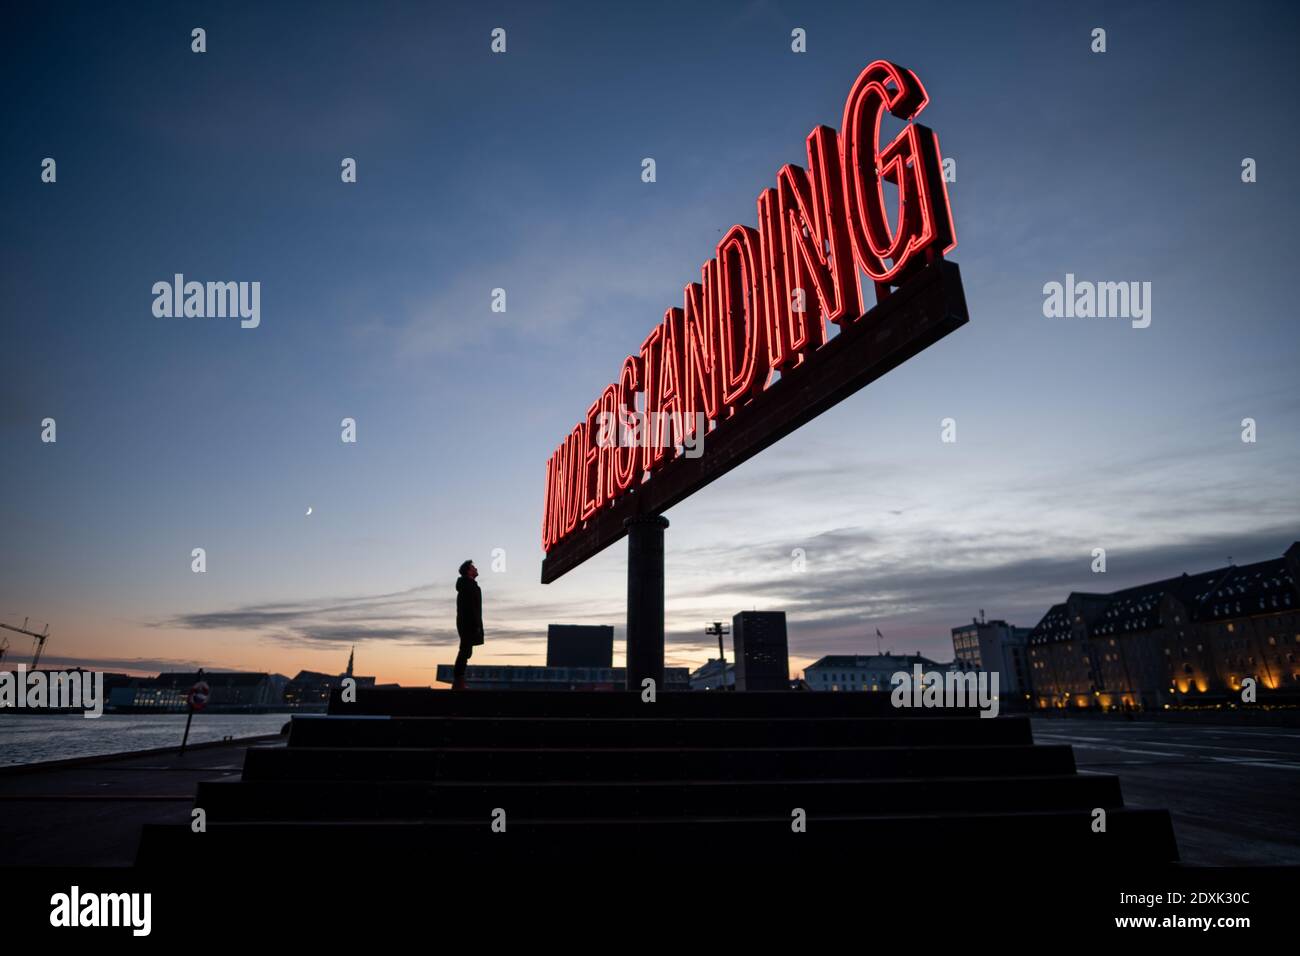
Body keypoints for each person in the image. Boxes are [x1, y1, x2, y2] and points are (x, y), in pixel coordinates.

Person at [452, 559, 483, 690]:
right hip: (468, 623)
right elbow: (471, 607)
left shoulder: (469, 585)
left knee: (466, 651)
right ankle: (459, 681)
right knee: (465, 651)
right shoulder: (468, 586)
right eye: (473, 567)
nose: (476, 569)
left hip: (468, 623)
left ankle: (459, 680)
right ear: (468, 571)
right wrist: (476, 625)